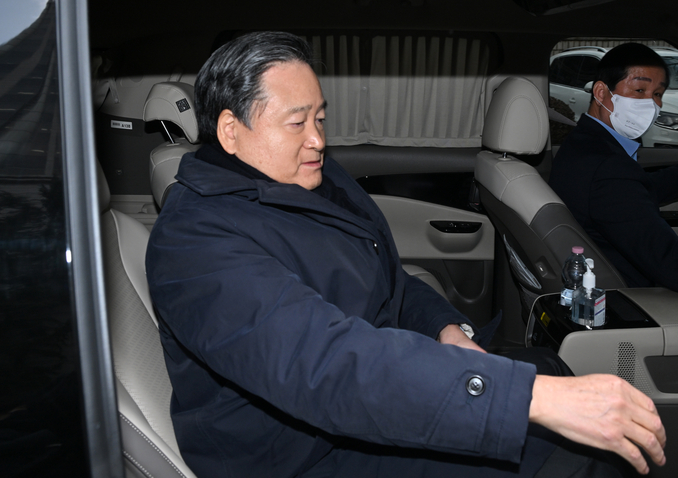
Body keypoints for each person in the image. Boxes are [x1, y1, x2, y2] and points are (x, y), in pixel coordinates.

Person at [146, 32, 666, 477]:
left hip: (356, 399)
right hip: (300, 451)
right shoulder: (196, 241)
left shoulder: (307, 177)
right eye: (297, 122)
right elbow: (326, 365)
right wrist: (531, 400)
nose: (318, 140)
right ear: (231, 130)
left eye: (321, 119)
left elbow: (387, 276)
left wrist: (445, 328)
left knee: (551, 366)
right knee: (575, 450)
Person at [549, 42, 678, 290]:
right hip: (634, 296)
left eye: (658, 94)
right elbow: (668, 262)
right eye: (639, 90)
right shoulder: (609, 168)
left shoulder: (584, 143)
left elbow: (635, 192)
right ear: (601, 93)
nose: (651, 104)